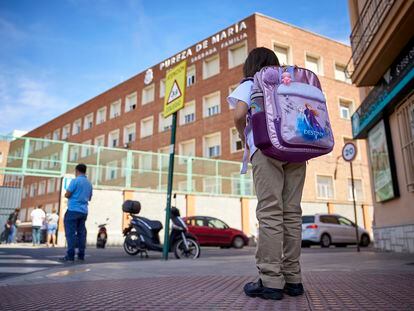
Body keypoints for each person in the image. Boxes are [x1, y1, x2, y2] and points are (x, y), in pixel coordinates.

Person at [227, 47, 307, 300]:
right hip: (297, 149)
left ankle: (271, 280)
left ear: (250, 65)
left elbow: (239, 114)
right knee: (292, 213)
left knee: (270, 211)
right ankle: (293, 280)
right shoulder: (288, 83)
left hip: (266, 147)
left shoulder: (252, 82)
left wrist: (243, 135)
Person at [60, 163, 92, 262]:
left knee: (70, 234)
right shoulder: (89, 183)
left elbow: (68, 194)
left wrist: (68, 195)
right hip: (84, 211)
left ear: (76, 171)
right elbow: (89, 198)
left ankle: (70, 256)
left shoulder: (75, 181)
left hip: (73, 210)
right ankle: (81, 255)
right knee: (81, 233)